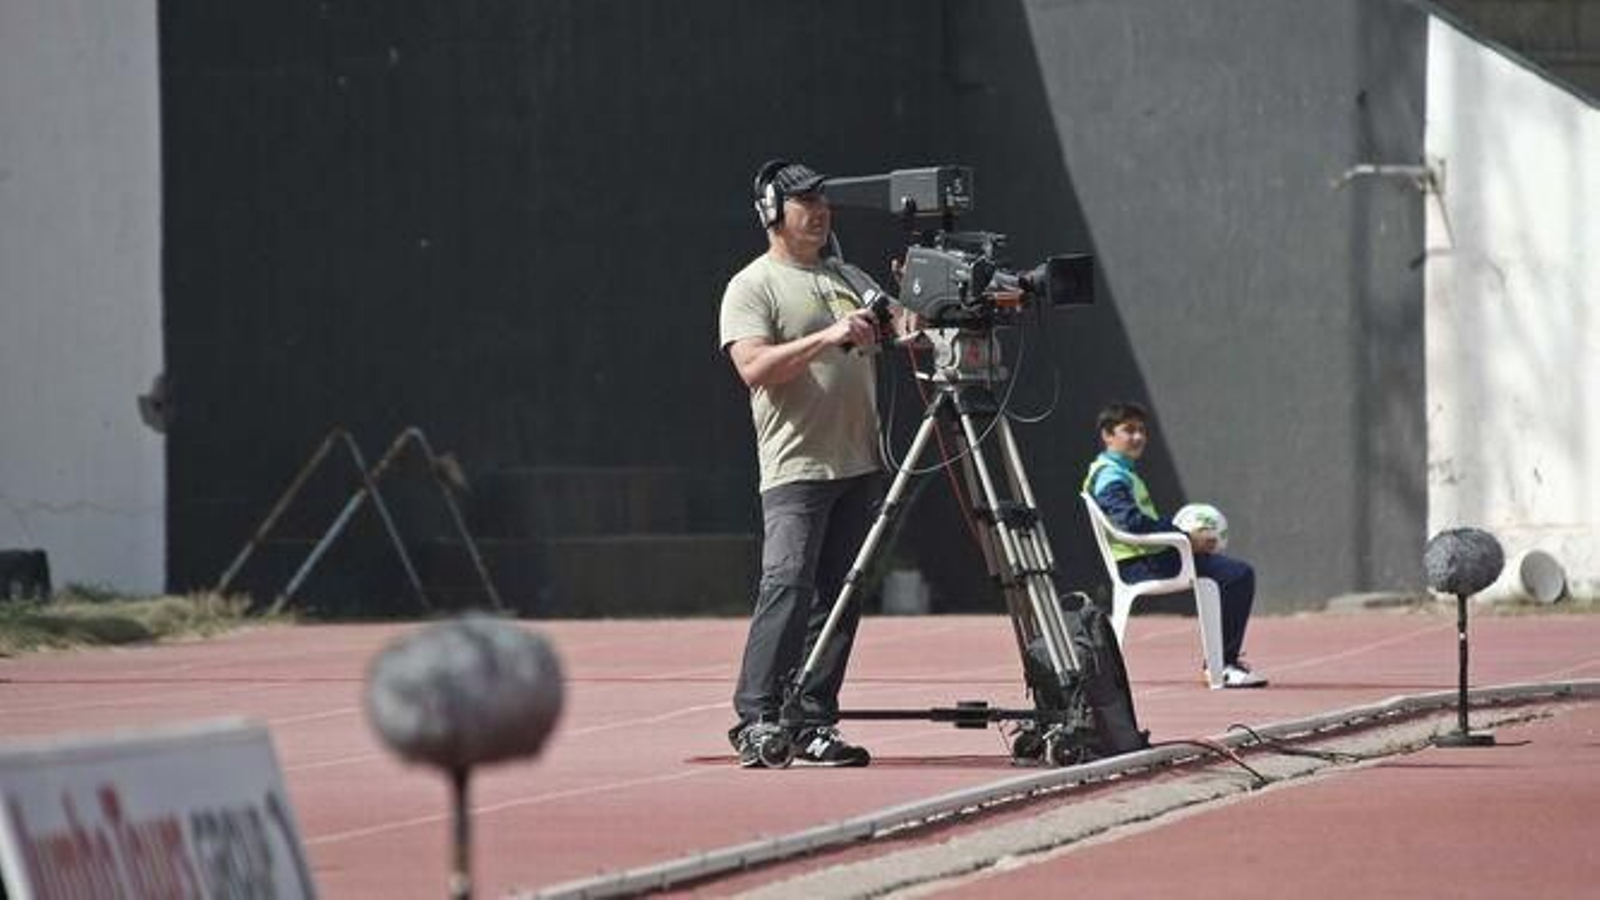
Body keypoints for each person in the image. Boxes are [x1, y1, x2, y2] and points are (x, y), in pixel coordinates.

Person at [717, 159, 890, 767]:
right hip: (796, 467)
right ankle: (757, 717)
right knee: (786, 586)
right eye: (803, 204)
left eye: (823, 204)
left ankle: (814, 719)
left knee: (840, 598)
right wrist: (829, 336)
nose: (818, 214)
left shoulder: (847, 274)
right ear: (772, 214)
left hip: (858, 464)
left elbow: (905, 327)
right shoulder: (753, 285)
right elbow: (753, 369)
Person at [1083, 401, 1268, 688]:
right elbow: (1131, 522)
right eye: (1128, 430)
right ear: (1108, 435)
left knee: (1232, 573)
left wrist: (1180, 538)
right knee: (1238, 575)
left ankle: (1223, 662)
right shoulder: (1110, 475)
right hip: (1142, 565)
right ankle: (1224, 665)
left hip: (1149, 558)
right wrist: (1185, 538)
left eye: (1142, 430)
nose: (1138, 437)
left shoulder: (1118, 471)